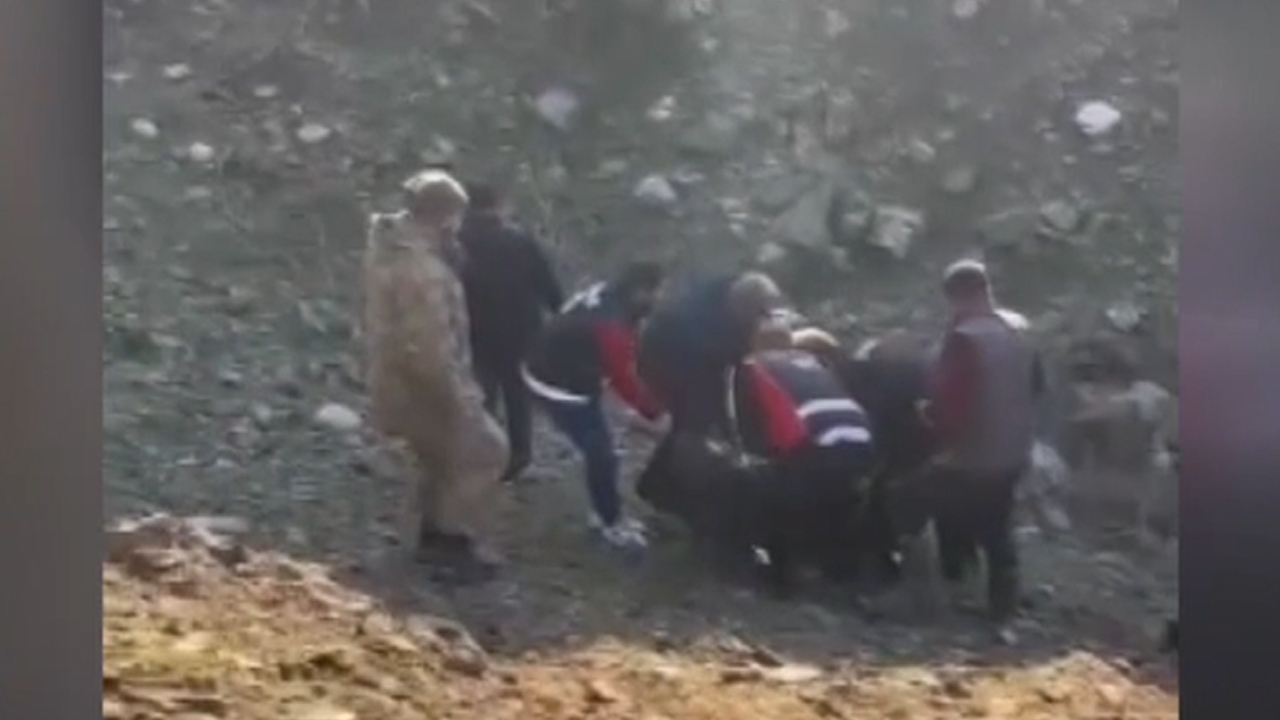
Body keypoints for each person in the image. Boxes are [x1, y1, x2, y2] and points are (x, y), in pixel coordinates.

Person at [361, 168, 509, 584]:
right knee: (485, 452)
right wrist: (460, 396)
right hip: (425, 386)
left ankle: (432, 539)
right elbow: (430, 346)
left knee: (438, 461)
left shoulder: (391, 247)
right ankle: (449, 544)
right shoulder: (423, 270)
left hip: (398, 380)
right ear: (445, 216)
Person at [919, 259, 1044, 623]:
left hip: (975, 455)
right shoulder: (1020, 331)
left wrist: (929, 420)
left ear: (954, 297)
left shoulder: (963, 339)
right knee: (998, 523)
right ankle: (1003, 603)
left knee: (932, 499)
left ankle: (956, 584)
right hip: (1016, 451)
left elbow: (953, 407)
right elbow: (1037, 387)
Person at [718, 319, 880, 593]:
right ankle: (842, 570)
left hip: (815, 447)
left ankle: (780, 575)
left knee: (764, 484)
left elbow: (751, 432)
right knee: (837, 498)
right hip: (862, 441)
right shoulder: (815, 362)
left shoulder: (752, 367)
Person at [521, 261, 667, 553]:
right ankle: (609, 523)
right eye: (657, 291)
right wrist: (655, 414)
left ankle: (604, 509)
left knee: (604, 441)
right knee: (601, 452)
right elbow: (624, 381)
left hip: (554, 365)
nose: (660, 298)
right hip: (558, 383)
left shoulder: (607, 294)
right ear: (640, 291)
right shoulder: (611, 325)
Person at [458, 181, 564, 483]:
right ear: (498, 204)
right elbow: (547, 285)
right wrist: (561, 315)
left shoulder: (456, 243)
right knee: (517, 395)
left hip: (475, 330)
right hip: (521, 332)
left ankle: (483, 452)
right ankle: (518, 456)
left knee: (483, 391)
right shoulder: (518, 241)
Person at [637, 270, 788, 441]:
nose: (760, 320)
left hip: (685, 349)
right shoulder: (707, 327)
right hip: (664, 353)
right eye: (757, 314)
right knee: (699, 416)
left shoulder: (736, 291)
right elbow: (720, 372)